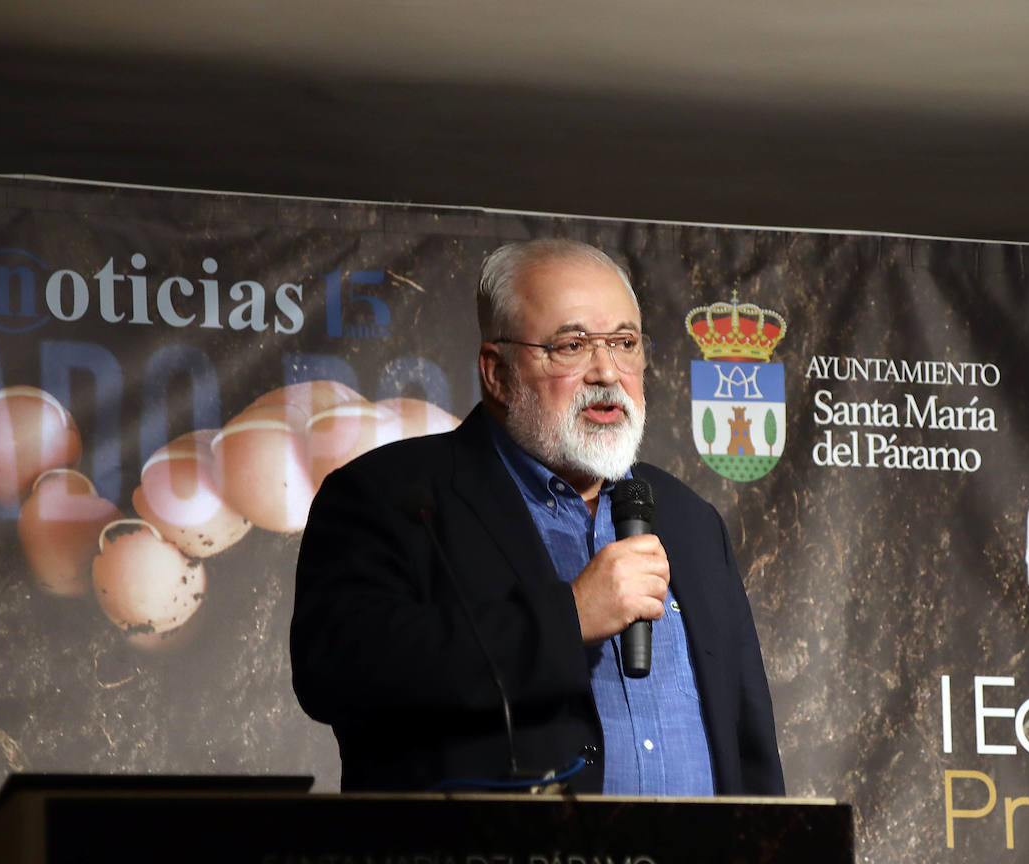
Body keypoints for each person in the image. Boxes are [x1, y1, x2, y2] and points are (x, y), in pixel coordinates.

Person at [291, 239, 784, 795]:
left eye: (624, 343)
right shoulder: (392, 497)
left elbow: (749, 745)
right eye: (571, 345)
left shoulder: (689, 520)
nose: (607, 372)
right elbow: (336, 674)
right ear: (497, 373)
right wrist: (568, 618)